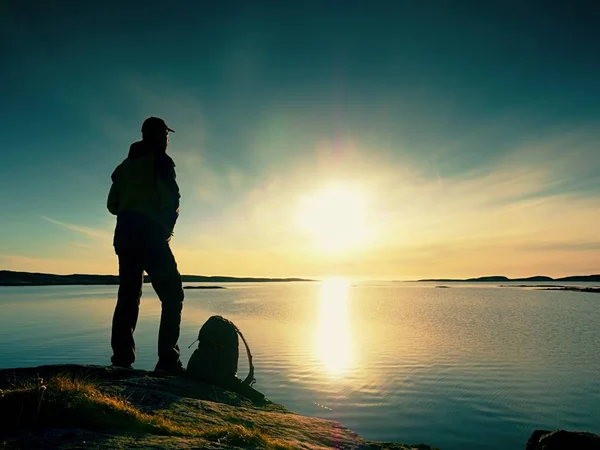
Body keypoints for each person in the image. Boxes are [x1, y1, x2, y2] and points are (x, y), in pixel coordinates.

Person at [106, 116, 184, 374]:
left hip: (125, 235)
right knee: (172, 295)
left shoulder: (123, 167)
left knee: (128, 297)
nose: (167, 140)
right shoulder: (161, 161)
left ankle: (121, 360)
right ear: (159, 136)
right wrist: (166, 229)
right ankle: (168, 361)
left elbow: (112, 205)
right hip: (150, 234)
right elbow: (172, 197)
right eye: (166, 136)